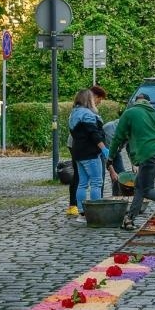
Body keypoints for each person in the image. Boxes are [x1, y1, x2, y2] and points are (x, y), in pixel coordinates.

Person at [109, 93, 155, 231]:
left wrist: (110, 158)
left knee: (146, 190)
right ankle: (129, 219)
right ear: (148, 102)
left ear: (136, 102)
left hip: (148, 154)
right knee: (139, 187)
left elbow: (117, 137)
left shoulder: (130, 113)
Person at [67, 84, 107, 217]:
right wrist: (103, 148)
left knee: (82, 183)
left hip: (78, 152)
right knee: (96, 181)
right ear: (88, 99)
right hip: (90, 152)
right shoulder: (87, 114)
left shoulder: (73, 114)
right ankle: (96, 211)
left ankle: (82, 210)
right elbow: (93, 133)